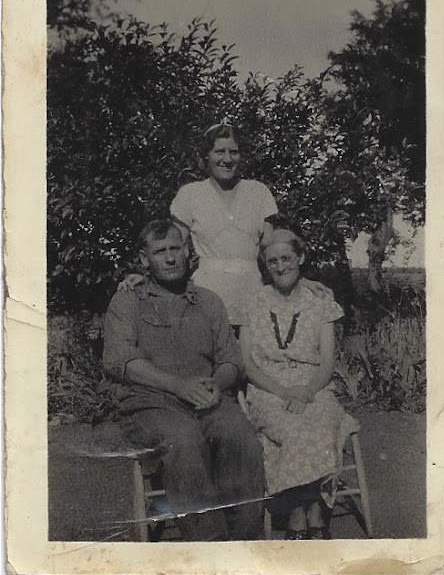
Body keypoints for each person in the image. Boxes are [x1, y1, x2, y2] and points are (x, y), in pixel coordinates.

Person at [103, 218, 265, 541]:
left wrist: (217, 383)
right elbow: (122, 363)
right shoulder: (127, 301)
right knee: (184, 440)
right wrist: (178, 386)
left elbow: (231, 360)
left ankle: (247, 542)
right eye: (160, 251)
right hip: (151, 405)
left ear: (187, 251)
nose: (170, 258)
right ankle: (210, 546)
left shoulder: (209, 301)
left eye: (175, 249)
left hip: (208, 399)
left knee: (239, 433)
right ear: (144, 258)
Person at [120, 120, 328, 327]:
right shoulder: (190, 195)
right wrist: (148, 276)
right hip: (206, 297)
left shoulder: (258, 192)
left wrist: (299, 280)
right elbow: (173, 247)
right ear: (206, 156)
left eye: (234, 152)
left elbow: (272, 249)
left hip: (253, 296)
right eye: (219, 151)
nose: (227, 159)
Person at [239, 228, 358, 540]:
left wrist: (305, 392)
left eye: (287, 258)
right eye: (273, 261)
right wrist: (283, 392)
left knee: (319, 424)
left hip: (315, 386)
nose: (280, 267)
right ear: (265, 265)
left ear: (301, 258)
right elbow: (247, 363)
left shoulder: (320, 301)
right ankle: (296, 513)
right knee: (291, 429)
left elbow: (328, 362)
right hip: (267, 389)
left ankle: (314, 510)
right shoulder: (252, 301)